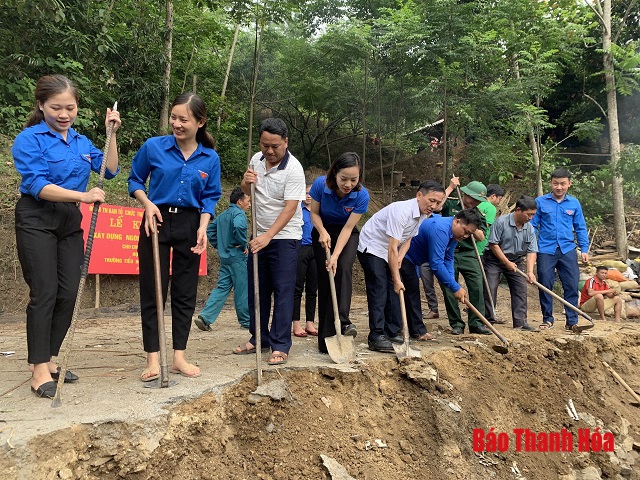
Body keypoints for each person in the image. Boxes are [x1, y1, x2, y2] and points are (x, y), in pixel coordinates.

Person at [13, 74, 121, 398]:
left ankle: (51, 358)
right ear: (41, 106)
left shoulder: (81, 142)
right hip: (36, 217)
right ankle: (38, 369)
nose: (63, 114)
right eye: (55, 107)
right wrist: (83, 196)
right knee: (44, 291)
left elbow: (111, 169)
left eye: (69, 108)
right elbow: (37, 185)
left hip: (69, 222)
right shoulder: (29, 139)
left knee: (70, 292)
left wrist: (110, 134)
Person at [128, 92, 221, 381]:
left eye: (184, 119)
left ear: (200, 122)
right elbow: (134, 179)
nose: (177, 124)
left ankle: (179, 356)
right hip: (155, 221)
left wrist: (203, 227)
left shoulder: (210, 158)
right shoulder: (153, 147)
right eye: (174, 117)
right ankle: (153, 358)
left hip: (191, 223)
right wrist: (147, 204)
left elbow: (210, 197)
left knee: (185, 291)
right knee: (154, 290)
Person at [233, 118, 306, 366]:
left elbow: (290, 208)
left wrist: (268, 236)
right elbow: (246, 189)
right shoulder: (256, 159)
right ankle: (259, 338)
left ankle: (280, 344)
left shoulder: (294, 169)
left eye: (275, 146)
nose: (270, 151)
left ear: (286, 142)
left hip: (284, 238)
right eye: (265, 145)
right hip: (259, 236)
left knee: (283, 291)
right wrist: (246, 181)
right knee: (258, 289)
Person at [357, 182, 443, 352]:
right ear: (419, 195)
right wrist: (396, 278)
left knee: (394, 290)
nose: (433, 206)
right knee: (380, 288)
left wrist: (400, 260)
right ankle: (376, 336)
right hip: (372, 245)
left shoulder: (423, 214)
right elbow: (391, 246)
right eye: (431, 200)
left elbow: (408, 239)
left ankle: (392, 331)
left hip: (391, 249)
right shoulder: (401, 211)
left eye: (438, 203)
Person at [309, 152, 370, 353]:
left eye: (354, 179)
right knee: (326, 280)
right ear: (334, 173)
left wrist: (335, 256)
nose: (348, 184)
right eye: (344, 178)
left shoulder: (361, 196)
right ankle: (325, 339)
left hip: (346, 233)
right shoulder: (320, 185)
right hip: (322, 229)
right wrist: (322, 232)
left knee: (342, 268)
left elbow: (347, 229)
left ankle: (343, 321)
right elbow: (314, 214)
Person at [405, 209, 483, 338]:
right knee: (411, 291)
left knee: (411, 291)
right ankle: (412, 330)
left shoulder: (454, 234)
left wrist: (452, 281)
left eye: (469, 234)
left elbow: (448, 257)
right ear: (457, 222)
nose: (466, 236)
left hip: (415, 260)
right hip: (405, 256)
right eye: (466, 231)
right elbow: (436, 264)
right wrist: (455, 287)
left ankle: (414, 329)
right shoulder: (441, 229)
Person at [530, 167, 589, 330]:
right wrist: (530, 248)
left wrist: (584, 248)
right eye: (555, 183)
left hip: (567, 249)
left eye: (563, 183)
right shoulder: (540, 202)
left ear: (569, 184)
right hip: (545, 250)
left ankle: (572, 321)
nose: (559, 187)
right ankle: (547, 319)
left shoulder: (574, 203)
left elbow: (580, 227)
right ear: (551, 183)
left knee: (571, 284)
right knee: (545, 284)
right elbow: (532, 226)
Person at [194, 187, 251, 332]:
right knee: (242, 289)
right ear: (240, 202)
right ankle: (246, 321)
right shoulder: (239, 213)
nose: (249, 204)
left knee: (222, 287)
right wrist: (243, 243)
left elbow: (210, 230)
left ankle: (205, 317)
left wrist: (220, 245)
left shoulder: (224, 214)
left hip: (225, 257)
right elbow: (238, 226)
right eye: (248, 201)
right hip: (237, 257)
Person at [440, 179, 491, 335]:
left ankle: (476, 323)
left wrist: (471, 225)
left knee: (477, 286)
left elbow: (481, 237)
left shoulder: (478, 214)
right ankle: (456, 324)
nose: (473, 202)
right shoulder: (450, 205)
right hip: (449, 253)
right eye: (472, 198)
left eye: (477, 200)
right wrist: (450, 187)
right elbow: (438, 206)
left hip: (469, 254)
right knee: (449, 287)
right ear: (464, 193)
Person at [483, 196, 538, 331]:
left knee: (520, 289)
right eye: (528, 214)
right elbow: (493, 244)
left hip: (516, 260)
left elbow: (532, 251)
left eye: (533, 215)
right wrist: (506, 262)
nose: (530, 218)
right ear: (518, 210)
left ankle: (520, 322)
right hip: (494, 259)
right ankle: (488, 322)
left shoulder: (529, 228)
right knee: (490, 288)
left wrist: (530, 272)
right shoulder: (501, 222)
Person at [292, 183, 318, 338]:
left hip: (315, 250)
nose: (309, 196)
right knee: (297, 287)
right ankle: (295, 322)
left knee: (312, 289)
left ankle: (310, 322)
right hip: (300, 249)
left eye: (311, 193)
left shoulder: (318, 211)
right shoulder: (297, 211)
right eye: (306, 193)